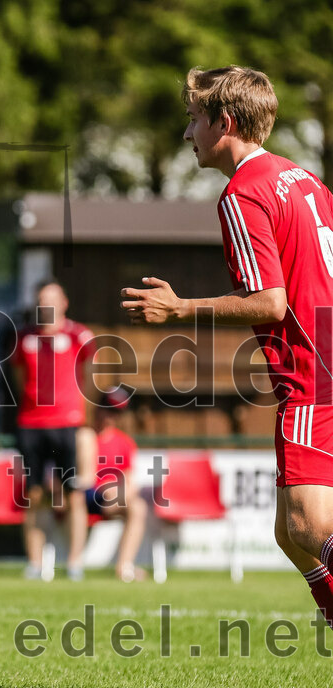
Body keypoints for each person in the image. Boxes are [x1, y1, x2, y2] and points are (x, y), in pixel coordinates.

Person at [121, 66, 333, 626]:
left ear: (225, 123)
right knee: (289, 533)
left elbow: (269, 303)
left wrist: (181, 308)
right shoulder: (304, 178)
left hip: (314, 373)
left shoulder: (243, 194)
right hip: (327, 359)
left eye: (193, 120)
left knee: (309, 527)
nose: (188, 133)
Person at [12, 280, 96, 581]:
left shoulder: (79, 336)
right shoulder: (23, 339)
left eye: (52, 299)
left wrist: (84, 420)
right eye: (41, 300)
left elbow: (89, 379)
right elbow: (20, 379)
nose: (46, 305)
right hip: (31, 425)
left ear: (64, 303)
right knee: (34, 494)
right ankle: (35, 564)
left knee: (73, 493)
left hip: (67, 424)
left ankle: (75, 563)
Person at [76, 388, 147, 582]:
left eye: (116, 413)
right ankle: (73, 566)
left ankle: (124, 567)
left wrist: (116, 490)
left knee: (138, 507)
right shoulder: (82, 436)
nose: (110, 417)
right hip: (79, 497)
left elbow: (130, 479)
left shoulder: (124, 443)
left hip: (108, 499)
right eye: (108, 410)